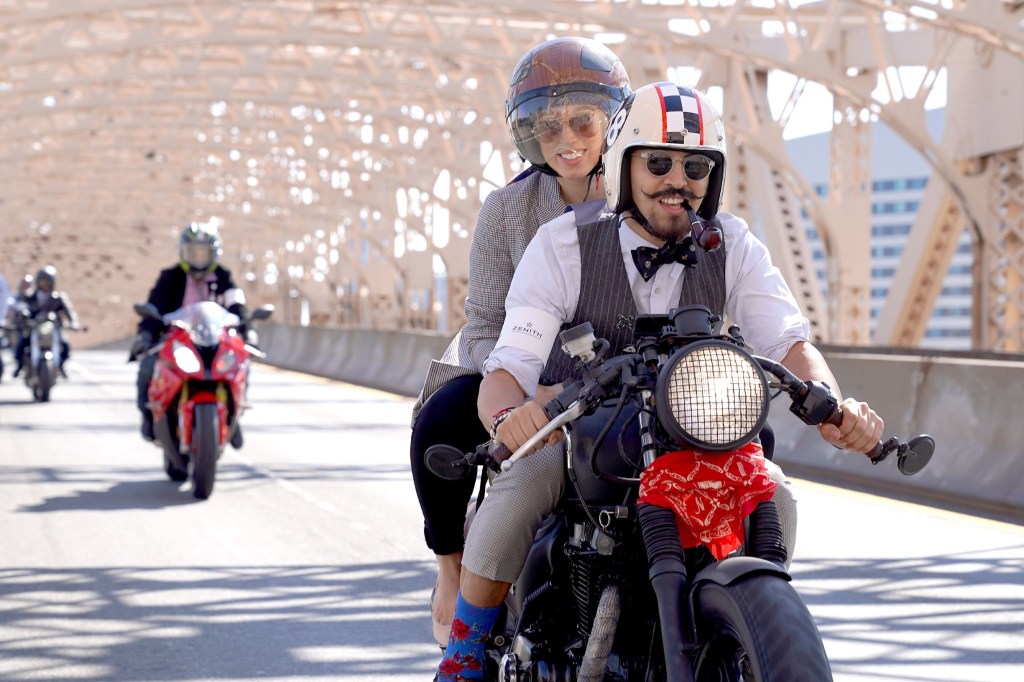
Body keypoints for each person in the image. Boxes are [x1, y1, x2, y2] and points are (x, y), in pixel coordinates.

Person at [433, 82, 885, 680]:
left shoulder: (736, 244)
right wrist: (507, 418)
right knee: (519, 488)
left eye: (697, 166)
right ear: (623, 166)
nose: (679, 179)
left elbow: (788, 343)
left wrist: (834, 406)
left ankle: (756, 631)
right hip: (581, 431)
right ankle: (462, 658)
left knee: (775, 491)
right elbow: (509, 366)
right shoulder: (565, 243)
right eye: (659, 162)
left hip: (695, 432)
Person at [409, 36, 632, 649]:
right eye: (547, 124)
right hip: (524, 373)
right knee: (440, 422)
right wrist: (532, 385)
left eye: (583, 120)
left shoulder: (644, 190)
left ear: (614, 119)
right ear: (526, 133)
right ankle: (451, 570)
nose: (567, 138)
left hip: (626, 378)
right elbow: (481, 325)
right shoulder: (506, 210)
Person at [130, 222, 250, 444]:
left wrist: (249, 332)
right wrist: (145, 336)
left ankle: (234, 415)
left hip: (215, 341)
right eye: (193, 252)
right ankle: (149, 417)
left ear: (214, 253)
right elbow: (153, 308)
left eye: (203, 252)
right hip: (179, 340)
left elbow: (238, 308)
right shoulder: (170, 277)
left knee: (242, 364)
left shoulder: (224, 277)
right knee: (147, 368)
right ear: (184, 252)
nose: (198, 258)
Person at [16, 266, 79, 379]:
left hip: (53, 328)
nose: (45, 285)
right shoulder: (31, 297)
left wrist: (73, 322)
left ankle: (61, 366)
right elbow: (22, 308)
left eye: (47, 282)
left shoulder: (58, 297)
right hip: (34, 327)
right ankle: (20, 367)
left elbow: (68, 312)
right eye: (42, 282)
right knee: (21, 344)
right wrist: (23, 317)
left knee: (65, 344)